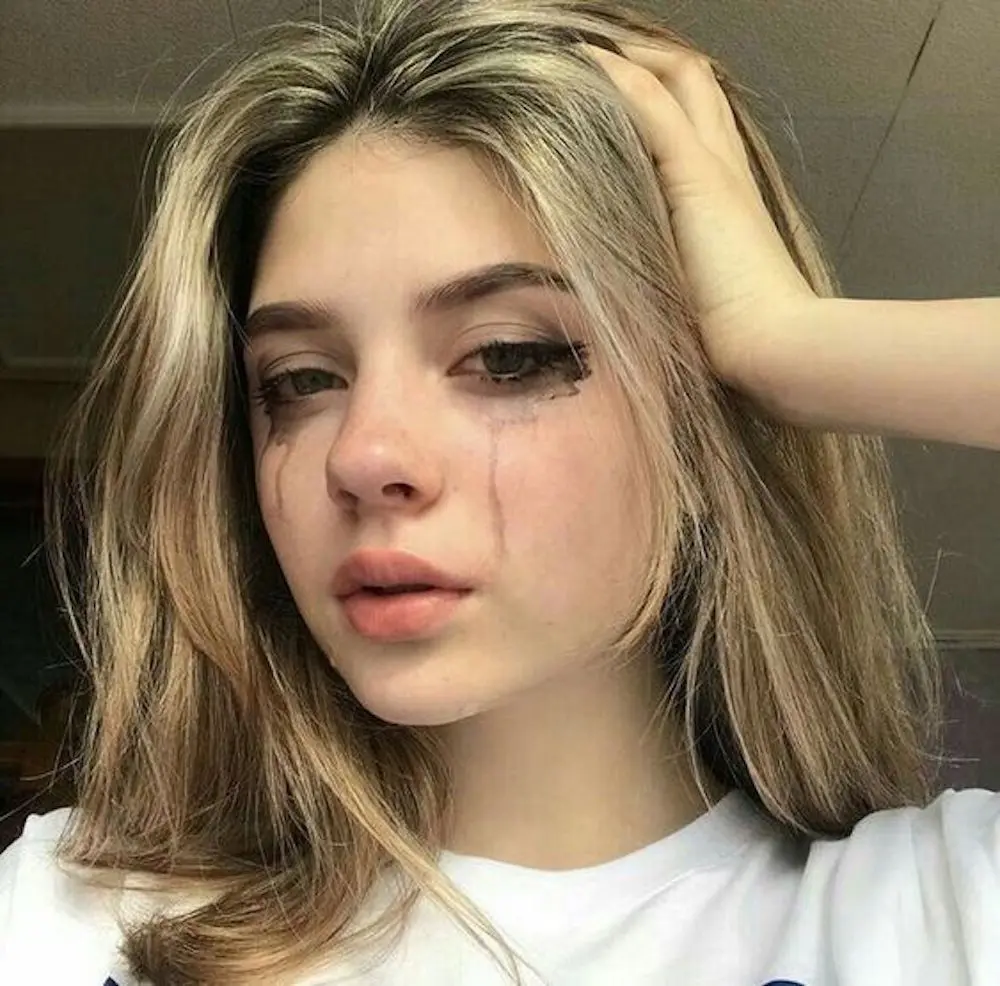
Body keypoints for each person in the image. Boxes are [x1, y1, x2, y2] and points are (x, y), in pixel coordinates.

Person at [0, 1, 996, 984]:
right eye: (300, 379)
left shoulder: (938, 914)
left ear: (702, 428)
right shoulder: (69, 920)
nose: (363, 453)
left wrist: (792, 347)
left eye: (508, 356)